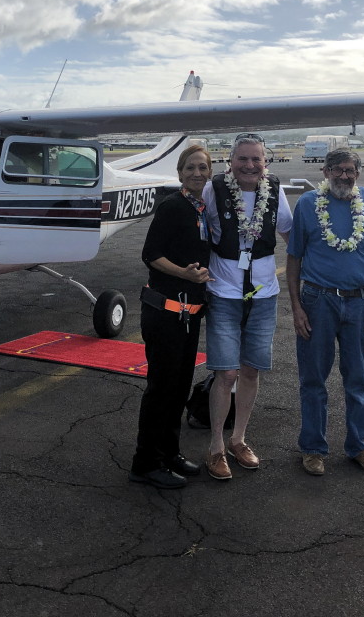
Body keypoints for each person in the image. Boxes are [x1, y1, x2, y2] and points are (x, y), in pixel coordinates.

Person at [285, 148, 364, 477]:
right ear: (326, 172)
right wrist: (297, 308)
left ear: (358, 174)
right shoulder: (307, 204)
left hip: (362, 303)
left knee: (358, 380)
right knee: (313, 379)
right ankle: (313, 449)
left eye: (350, 170)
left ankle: (359, 446)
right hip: (318, 301)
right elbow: (294, 260)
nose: (343, 176)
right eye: (337, 170)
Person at [201, 133, 292, 480]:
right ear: (231, 161)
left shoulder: (275, 191)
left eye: (257, 159)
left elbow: (289, 233)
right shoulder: (215, 190)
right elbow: (200, 228)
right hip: (224, 292)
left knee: (251, 370)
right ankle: (215, 447)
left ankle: (239, 439)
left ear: (265, 163)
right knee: (225, 373)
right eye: (243, 159)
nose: (250, 166)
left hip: (264, 293)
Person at [129, 145, 214, 489]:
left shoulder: (204, 210)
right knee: (161, 389)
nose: (197, 173)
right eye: (190, 168)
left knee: (179, 389)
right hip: (164, 313)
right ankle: (145, 463)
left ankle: (170, 452)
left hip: (188, 316)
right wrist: (184, 274)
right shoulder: (173, 206)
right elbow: (150, 255)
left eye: (203, 168)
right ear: (179, 173)